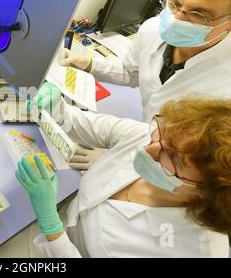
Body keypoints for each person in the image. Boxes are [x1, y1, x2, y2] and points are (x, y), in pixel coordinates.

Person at [17, 84, 231, 257]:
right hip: (66, 226)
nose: (149, 149)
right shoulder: (158, 139)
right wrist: (57, 108)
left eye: (173, 157)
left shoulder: (194, 250)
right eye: (163, 133)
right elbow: (91, 126)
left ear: (208, 191)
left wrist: (53, 230)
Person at [62, 0, 231, 122]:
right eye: (174, 3)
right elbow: (132, 72)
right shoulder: (152, 29)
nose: (177, 19)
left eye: (198, 14)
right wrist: (88, 63)